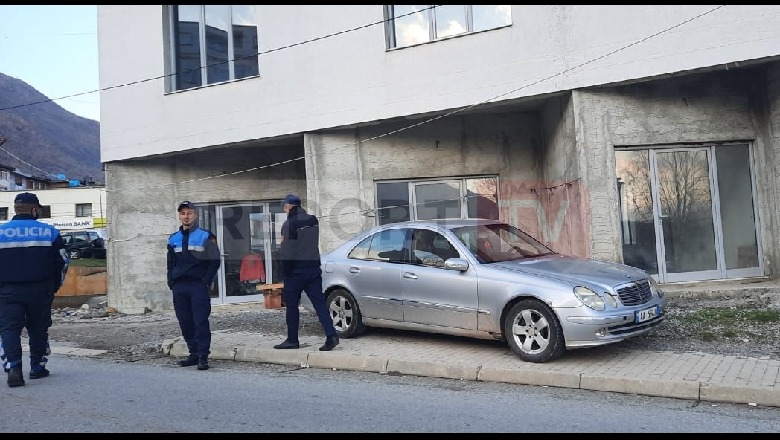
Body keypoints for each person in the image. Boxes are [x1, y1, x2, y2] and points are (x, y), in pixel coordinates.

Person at [0, 192, 69, 387]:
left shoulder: (1, 232)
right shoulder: (49, 232)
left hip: (7, 292)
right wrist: (55, 285)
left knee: (9, 329)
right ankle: (37, 367)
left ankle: (14, 369)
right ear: (33, 210)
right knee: (38, 328)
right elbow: (63, 261)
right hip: (40, 290)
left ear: (16, 209)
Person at [273, 193, 339, 351]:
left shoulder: (289, 224)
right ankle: (331, 335)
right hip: (313, 269)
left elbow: (288, 251)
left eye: (285, 208)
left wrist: (285, 273)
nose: (285, 210)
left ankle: (292, 340)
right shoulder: (313, 220)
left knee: (292, 306)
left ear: (288, 207)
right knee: (320, 304)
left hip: (296, 272)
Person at [166, 201, 221, 371]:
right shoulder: (173, 238)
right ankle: (193, 354)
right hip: (180, 287)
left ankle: (203, 356)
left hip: (198, 286)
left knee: (200, 321)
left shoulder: (205, 236)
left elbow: (215, 261)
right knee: (185, 322)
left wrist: (206, 281)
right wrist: (171, 281)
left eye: (189, 213)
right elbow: (170, 263)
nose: (186, 216)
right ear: (179, 216)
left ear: (195, 215)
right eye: (183, 213)